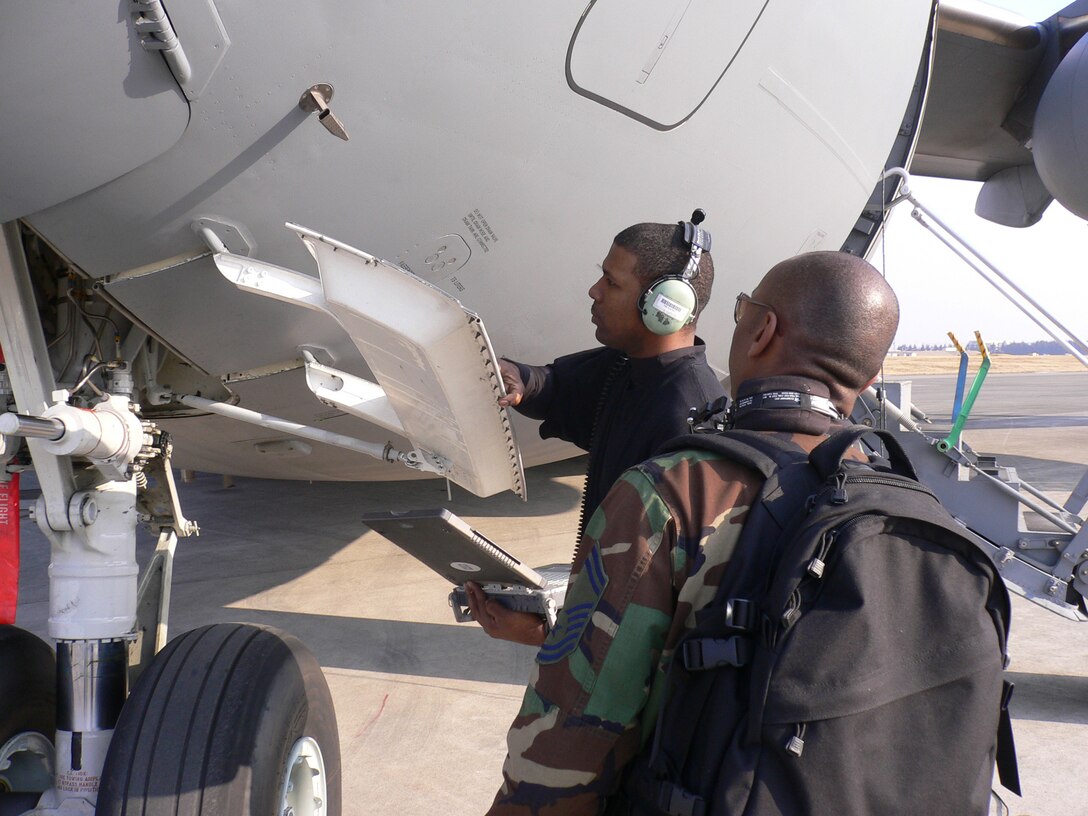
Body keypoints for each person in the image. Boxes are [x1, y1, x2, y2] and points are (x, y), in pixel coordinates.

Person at [483, 250, 901, 815]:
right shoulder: (907, 515)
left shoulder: (676, 493)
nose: (594, 291)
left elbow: (566, 749)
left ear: (761, 331)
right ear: (871, 376)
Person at [466, 221, 727, 646]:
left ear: (665, 306)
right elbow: (556, 387)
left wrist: (546, 633)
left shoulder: (686, 423)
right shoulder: (627, 367)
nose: (594, 291)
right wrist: (517, 379)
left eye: (611, 282)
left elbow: (657, 600)